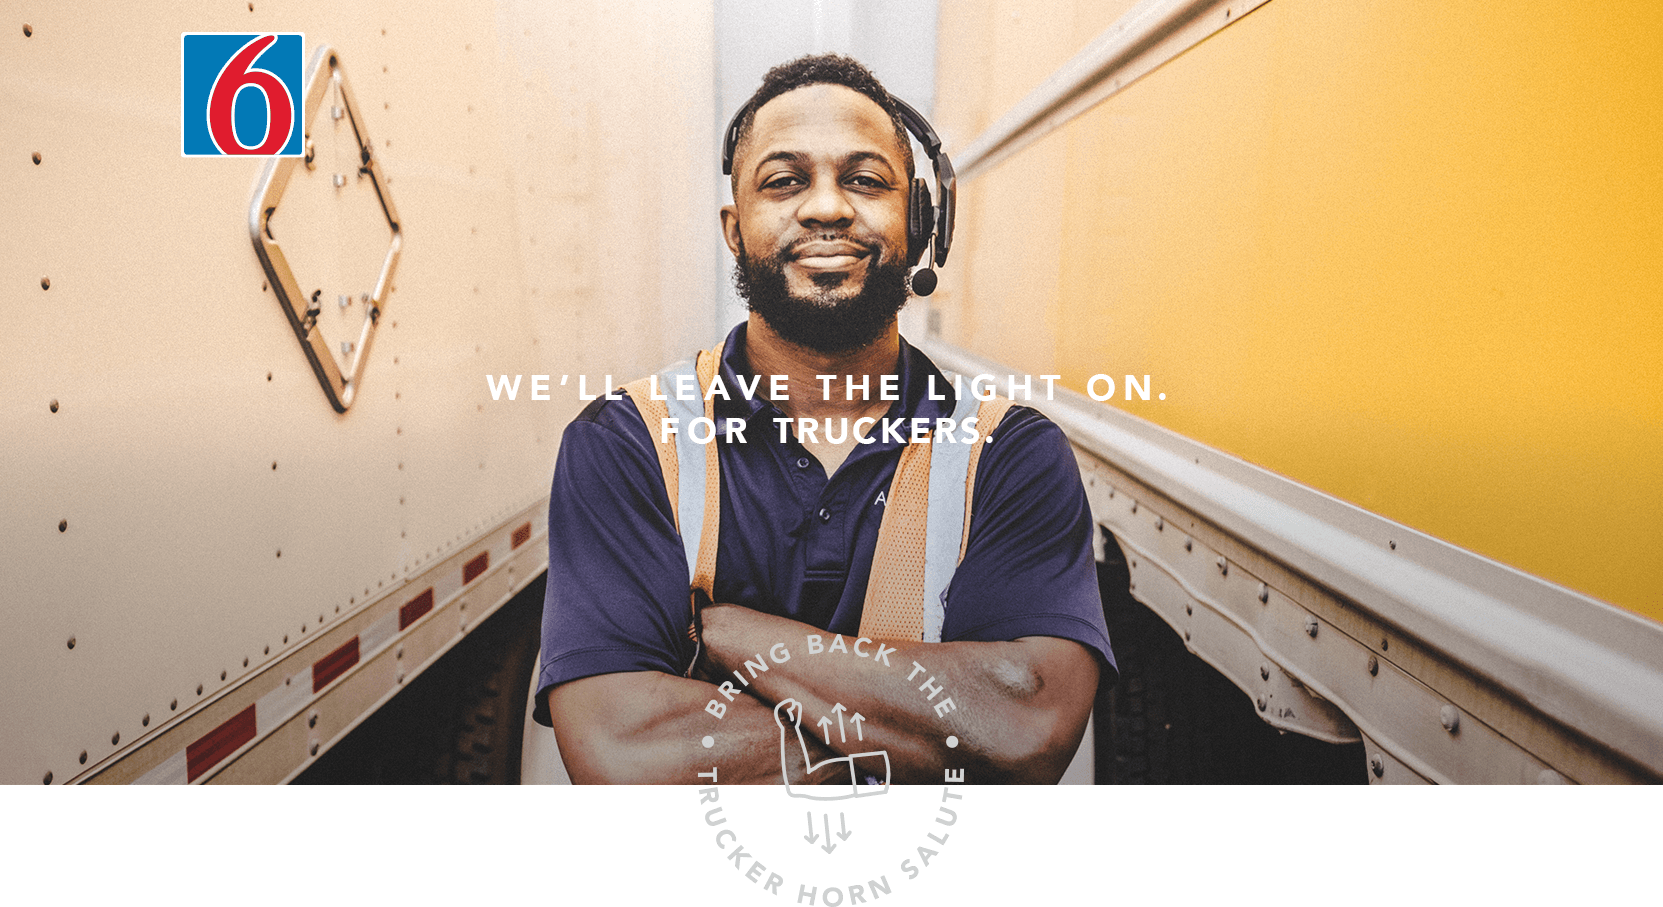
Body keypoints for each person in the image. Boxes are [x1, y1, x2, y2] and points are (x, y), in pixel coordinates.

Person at [533, 54, 1114, 785]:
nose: (827, 208)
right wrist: (935, 741)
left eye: (865, 180)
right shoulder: (625, 441)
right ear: (734, 229)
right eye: (783, 181)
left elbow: (1028, 726)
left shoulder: (1008, 452)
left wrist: (736, 635)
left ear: (920, 218)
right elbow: (623, 753)